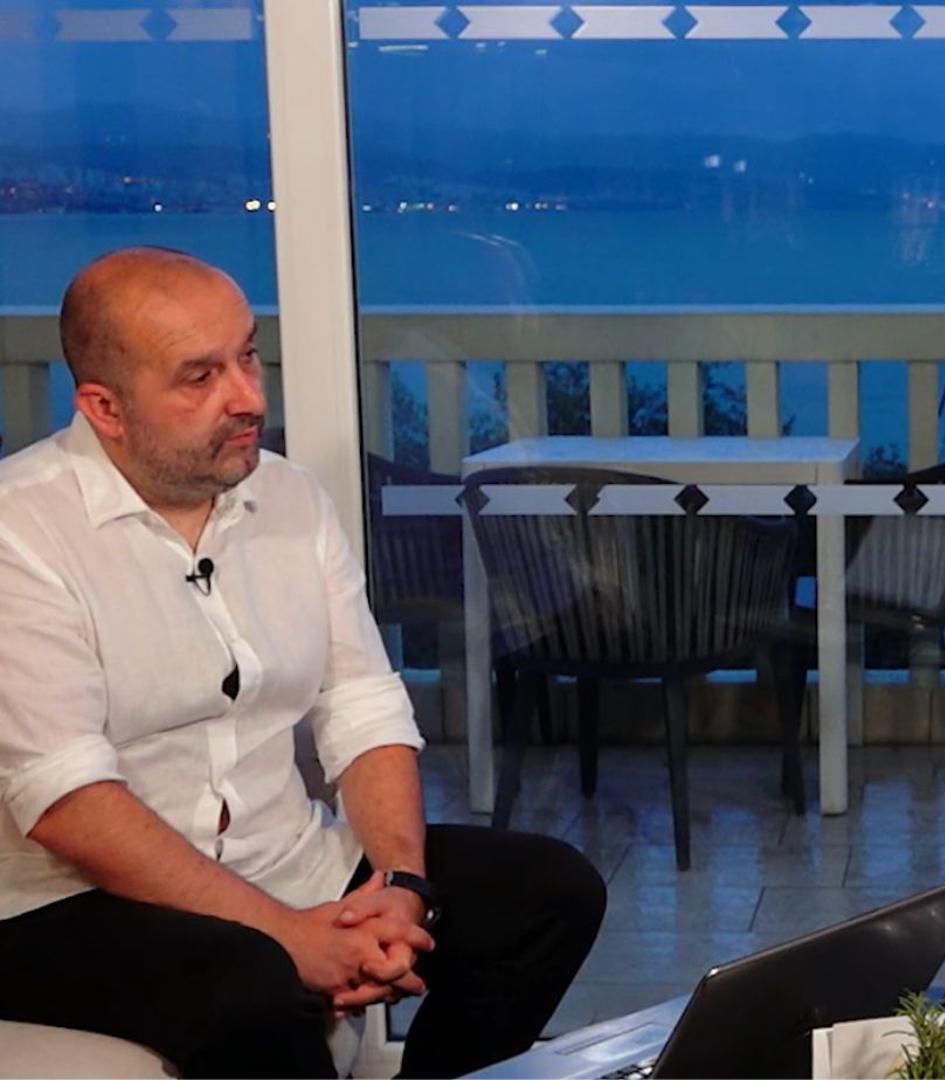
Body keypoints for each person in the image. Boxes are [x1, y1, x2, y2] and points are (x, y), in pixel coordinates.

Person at [0, 247, 606, 1078]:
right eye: (201, 376)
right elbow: (67, 799)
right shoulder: (21, 531)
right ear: (105, 407)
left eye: (248, 357)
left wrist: (402, 886)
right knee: (259, 985)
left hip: (285, 857)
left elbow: (361, 707)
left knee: (548, 893)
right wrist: (290, 936)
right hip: (67, 902)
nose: (249, 397)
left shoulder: (289, 498)